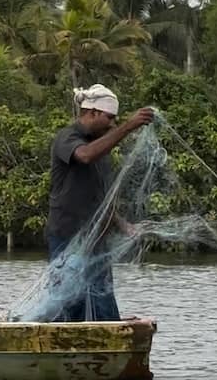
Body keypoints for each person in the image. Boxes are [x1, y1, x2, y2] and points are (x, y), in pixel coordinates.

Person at [46, 83, 154, 321]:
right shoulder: (67, 138)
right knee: (67, 303)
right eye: (110, 118)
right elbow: (84, 155)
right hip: (67, 237)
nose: (112, 124)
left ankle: (107, 345)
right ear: (92, 113)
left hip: (96, 241)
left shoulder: (102, 154)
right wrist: (128, 126)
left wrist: (123, 225)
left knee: (102, 302)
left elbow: (101, 201)